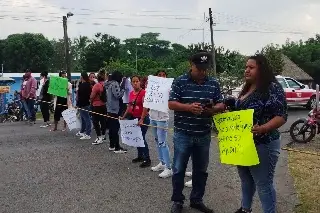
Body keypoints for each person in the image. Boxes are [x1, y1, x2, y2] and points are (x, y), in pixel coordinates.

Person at [169, 51, 225, 213]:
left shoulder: (213, 83)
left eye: (204, 69)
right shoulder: (180, 81)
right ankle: (178, 201)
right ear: (191, 65)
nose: (202, 72)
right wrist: (189, 107)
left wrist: (213, 109)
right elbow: (171, 103)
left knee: (201, 170)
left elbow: (221, 105)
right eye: (198, 68)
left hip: (203, 134)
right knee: (179, 169)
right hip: (183, 134)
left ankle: (196, 199)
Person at [234, 54, 287, 213]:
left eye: (251, 67)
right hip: (244, 143)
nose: (246, 70)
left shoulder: (272, 88)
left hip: (264, 144)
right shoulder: (247, 87)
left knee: (263, 184)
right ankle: (245, 209)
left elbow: (281, 116)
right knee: (246, 179)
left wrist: (263, 128)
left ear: (261, 69)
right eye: (246, 67)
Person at [142, 70, 172, 178]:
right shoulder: (151, 88)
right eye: (159, 75)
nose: (161, 77)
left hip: (162, 118)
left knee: (162, 142)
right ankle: (162, 163)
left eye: (164, 75)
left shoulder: (169, 89)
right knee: (157, 141)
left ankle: (169, 168)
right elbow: (146, 103)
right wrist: (142, 117)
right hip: (153, 117)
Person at [122, 75, 151, 168]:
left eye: (137, 81)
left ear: (140, 82)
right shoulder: (131, 93)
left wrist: (142, 119)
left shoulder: (144, 93)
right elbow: (129, 106)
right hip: (134, 118)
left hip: (142, 119)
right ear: (131, 83)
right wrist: (123, 117)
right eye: (133, 82)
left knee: (141, 138)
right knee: (136, 137)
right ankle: (140, 156)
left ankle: (147, 158)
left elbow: (146, 107)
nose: (135, 83)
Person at [105, 71, 127, 153]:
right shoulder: (115, 84)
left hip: (110, 108)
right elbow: (118, 95)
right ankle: (117, 147)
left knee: (111, 128)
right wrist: (123, 89)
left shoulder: (108, 83)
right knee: (115, 128)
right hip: (115, 109)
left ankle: (112, 145)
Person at [90, 70, 107, 145]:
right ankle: (103, 135)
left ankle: (99, 137)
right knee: (103, 121)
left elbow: (92, 96)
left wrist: (90, 100)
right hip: (104, 105)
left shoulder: (96, 85)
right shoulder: (105, 84)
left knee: (95, 122)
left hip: (96, 105)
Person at [76, 72, 92, 140]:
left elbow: (79, 96)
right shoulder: (89, 85)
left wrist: (78, 104)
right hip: (87, 103)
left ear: (82, 77)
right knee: (83, 118)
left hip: (82, 104)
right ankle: (82, 131)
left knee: (86, 118)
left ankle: (87, 133)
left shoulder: (82, 85)